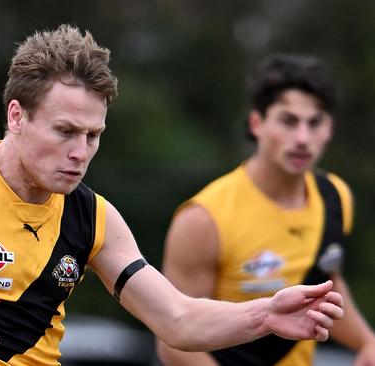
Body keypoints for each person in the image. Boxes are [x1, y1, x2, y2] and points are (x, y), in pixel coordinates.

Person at [0, 25, 345, 366]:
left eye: (93, 135)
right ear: (17, 116)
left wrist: (265, 313)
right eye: (65, 131)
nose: (80, 153)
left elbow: (178, 319)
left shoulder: (93, 215)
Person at [156, 54, 375, 366]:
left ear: (329, 128)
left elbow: (328, 285)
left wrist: (367, 342)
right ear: (257, 123)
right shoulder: (204, 217)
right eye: (288, 121)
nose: (302, 138)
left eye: (314, 123)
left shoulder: (335, 197)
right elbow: (172, 341)